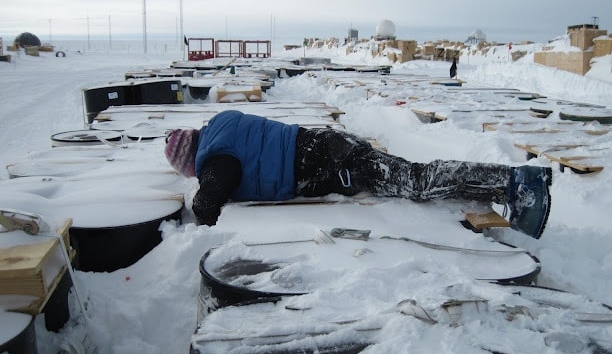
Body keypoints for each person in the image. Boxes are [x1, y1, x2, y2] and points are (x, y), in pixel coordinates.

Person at [165, 110, 552, 238]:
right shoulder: (222, 123)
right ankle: (507, 183)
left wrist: (199, 204)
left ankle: (516, 181)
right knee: (414, 178)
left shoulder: (216, 159)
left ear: (191, 160)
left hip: (335, 162)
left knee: (416, 180)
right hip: (327, 145)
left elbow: (210, 200)